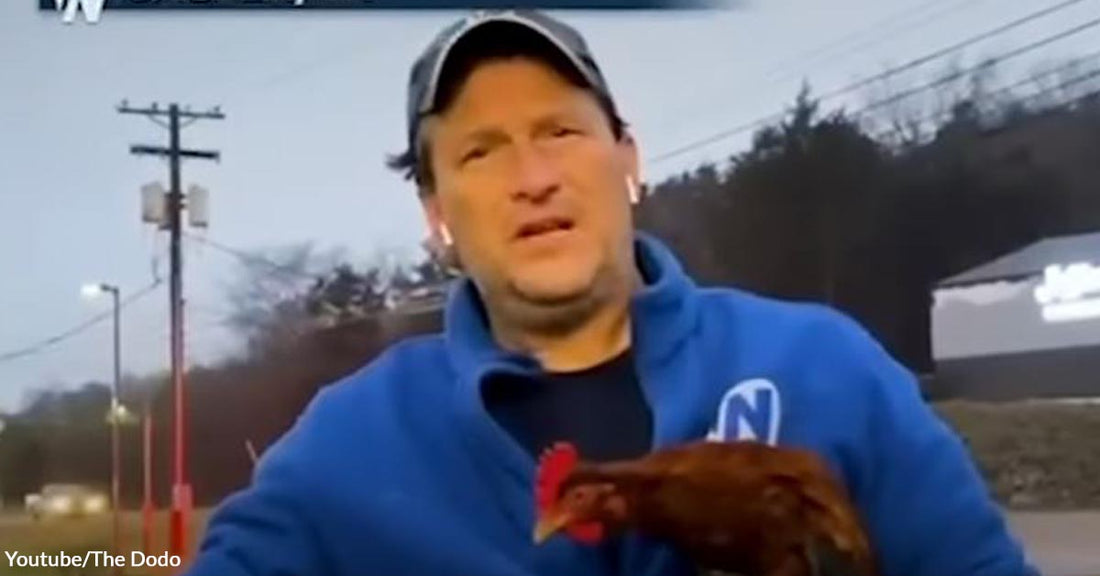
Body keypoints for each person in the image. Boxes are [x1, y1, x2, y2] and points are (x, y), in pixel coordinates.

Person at [186, 10, 1038, 576]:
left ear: (628, 161)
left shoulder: (823, 366)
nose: (534, 177)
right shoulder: (352, 439)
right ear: (437, 212)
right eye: (480, 151)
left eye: (560, 130)